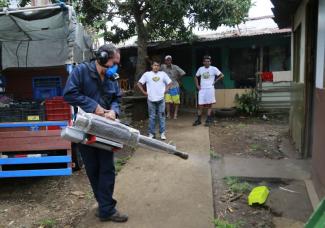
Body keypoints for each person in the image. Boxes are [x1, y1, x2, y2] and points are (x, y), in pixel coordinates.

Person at [63, 44, 128, 223]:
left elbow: (116, 98)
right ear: (102, 57)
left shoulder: (111, 76)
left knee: (107, 168)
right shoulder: (81, 71)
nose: (116, 67)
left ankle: (106, 208)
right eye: (114, 62)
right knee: (92, 168)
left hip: (107, 129)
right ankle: (105, 205)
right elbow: (68, 94)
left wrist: (114, 111)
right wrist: (95, 107)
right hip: (86, 128)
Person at [137, 60, 172, 140]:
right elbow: (139, 83)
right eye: (154, 65)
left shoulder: (163, 74)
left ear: (159, 67)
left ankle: (162, 133)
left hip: (161, 99)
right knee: (152, 117)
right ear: (151, 66)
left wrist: (166, 90)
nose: (156, 67)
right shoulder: (147, 74)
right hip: (151, 99)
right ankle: (151, 133)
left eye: (157, 65)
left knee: (161, 116)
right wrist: (144, 92)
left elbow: (170, 83)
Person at [193, 55, 224, 127]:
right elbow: (195, 77)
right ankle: (199, 120)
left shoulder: (214, 69)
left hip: (210, 89)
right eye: (205, 61)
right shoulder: (200, 69)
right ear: (203, 62)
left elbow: (222, 75)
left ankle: (208, 119)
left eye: (208, 61)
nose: (207, 62)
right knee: (200, 105)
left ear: (210, 62)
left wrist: (215, 81)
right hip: (202, 89)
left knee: (209, 105)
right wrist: (197, 85)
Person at [160, 55, 186, 119]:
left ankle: (175, 114)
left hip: (174, 86)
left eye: (169, 60)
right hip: (166, 87)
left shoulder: (175, 67)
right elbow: (155, 67)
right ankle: (168, 114)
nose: (168, 61)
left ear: (171, 60)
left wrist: (178, 79)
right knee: (167, 101)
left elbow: (183, 73)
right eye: (167, 60)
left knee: (176, 101)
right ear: (165, 61)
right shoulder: (162, 67)